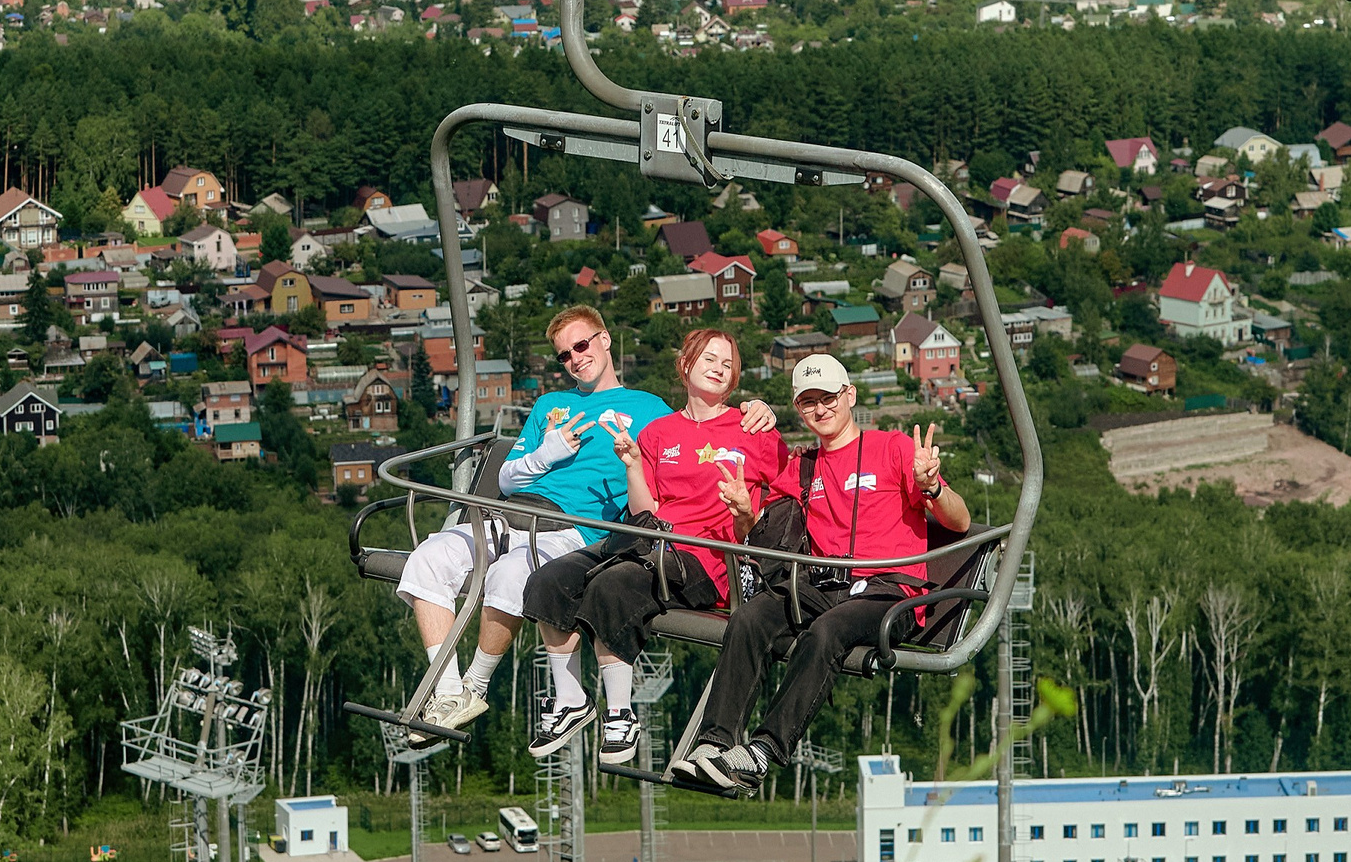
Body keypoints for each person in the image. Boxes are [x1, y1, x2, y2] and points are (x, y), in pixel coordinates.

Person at [392, 305, 775, 739]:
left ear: (604, 339)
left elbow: (697, 425)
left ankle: (475, 684)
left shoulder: (648, 409)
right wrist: (547, 452)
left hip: (572, 530)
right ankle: (448, 693)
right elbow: (506, 478)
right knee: (427, 558)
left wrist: (757, 408)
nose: (575, 359)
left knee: (511, 576)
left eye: (581, 345)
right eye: (564, 355)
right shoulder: (549, 405)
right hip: (512, 513)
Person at [667, 352, 969, 793]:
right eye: (809, 402)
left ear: (849, 396)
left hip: (888, 592)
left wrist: (933, 487)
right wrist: (746, 513)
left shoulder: (893, 449)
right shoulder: (804, 466)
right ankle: (715, 742)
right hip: (822, 585)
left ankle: (762, 751)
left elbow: (959, 522)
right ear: (799, 408)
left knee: (826, 632)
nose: (821, 409)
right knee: (750, 617)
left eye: (828, 398)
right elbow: (760, 533)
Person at [519, 327, 794, 765]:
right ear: (685, 365)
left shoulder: (750, 429)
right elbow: (643, 510)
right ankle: (570, 699)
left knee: (614, 584)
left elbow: (791, 494)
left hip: (706, 559)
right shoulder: (659, 432)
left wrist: (765, 418)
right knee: (549, 579)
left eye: (727, 364)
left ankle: (619, 715)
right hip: (651, 541)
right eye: (709, 359)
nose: (719, 369)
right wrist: (632, 466)